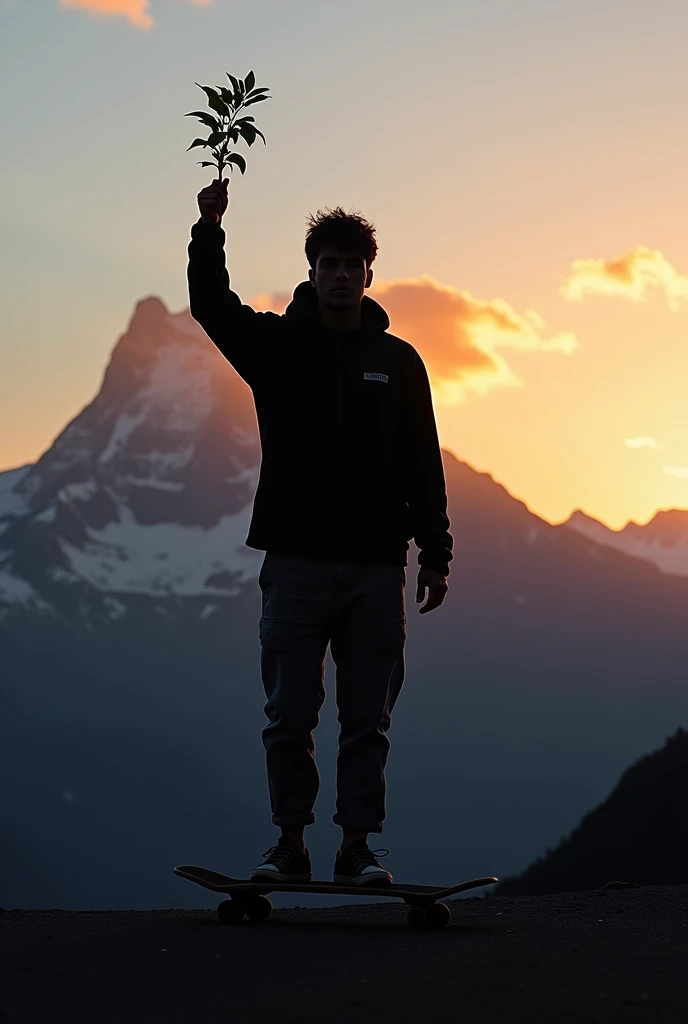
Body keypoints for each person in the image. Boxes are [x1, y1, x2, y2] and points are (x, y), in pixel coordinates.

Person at [187, 178, 453, 887]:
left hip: (374, 568)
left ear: (369, 276)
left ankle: (358, 849)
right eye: (327, 264)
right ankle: (290, 845)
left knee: (368, 721)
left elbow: (420, 461)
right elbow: (211, 307)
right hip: (296, 564)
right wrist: (209, 227)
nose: (340, 276)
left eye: (351, 265)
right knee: (290, 717)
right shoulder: (277, 347)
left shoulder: (399, 363)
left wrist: (436, 552)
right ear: (311, 272)